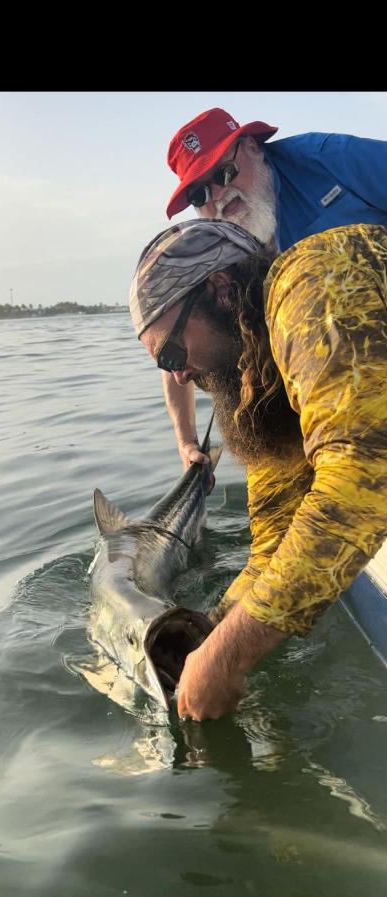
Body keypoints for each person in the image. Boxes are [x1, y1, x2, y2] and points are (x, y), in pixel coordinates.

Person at [129, 218, 387, 721]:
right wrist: (209, 637)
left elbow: (363, 474)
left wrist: (228, 656)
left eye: (174, 352)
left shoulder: (312, 282)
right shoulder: (263, 388)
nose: (179, 374)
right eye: (165, 365)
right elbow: (271, 544)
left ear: (221, 291)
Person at [163, 106, 387, 471]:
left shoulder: (329, 159)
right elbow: (176, 340)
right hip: (313, 396)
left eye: (224, 172)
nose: (218, 195)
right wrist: (186, 442)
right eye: (199, 195)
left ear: (252, 147)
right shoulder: (216, 251)